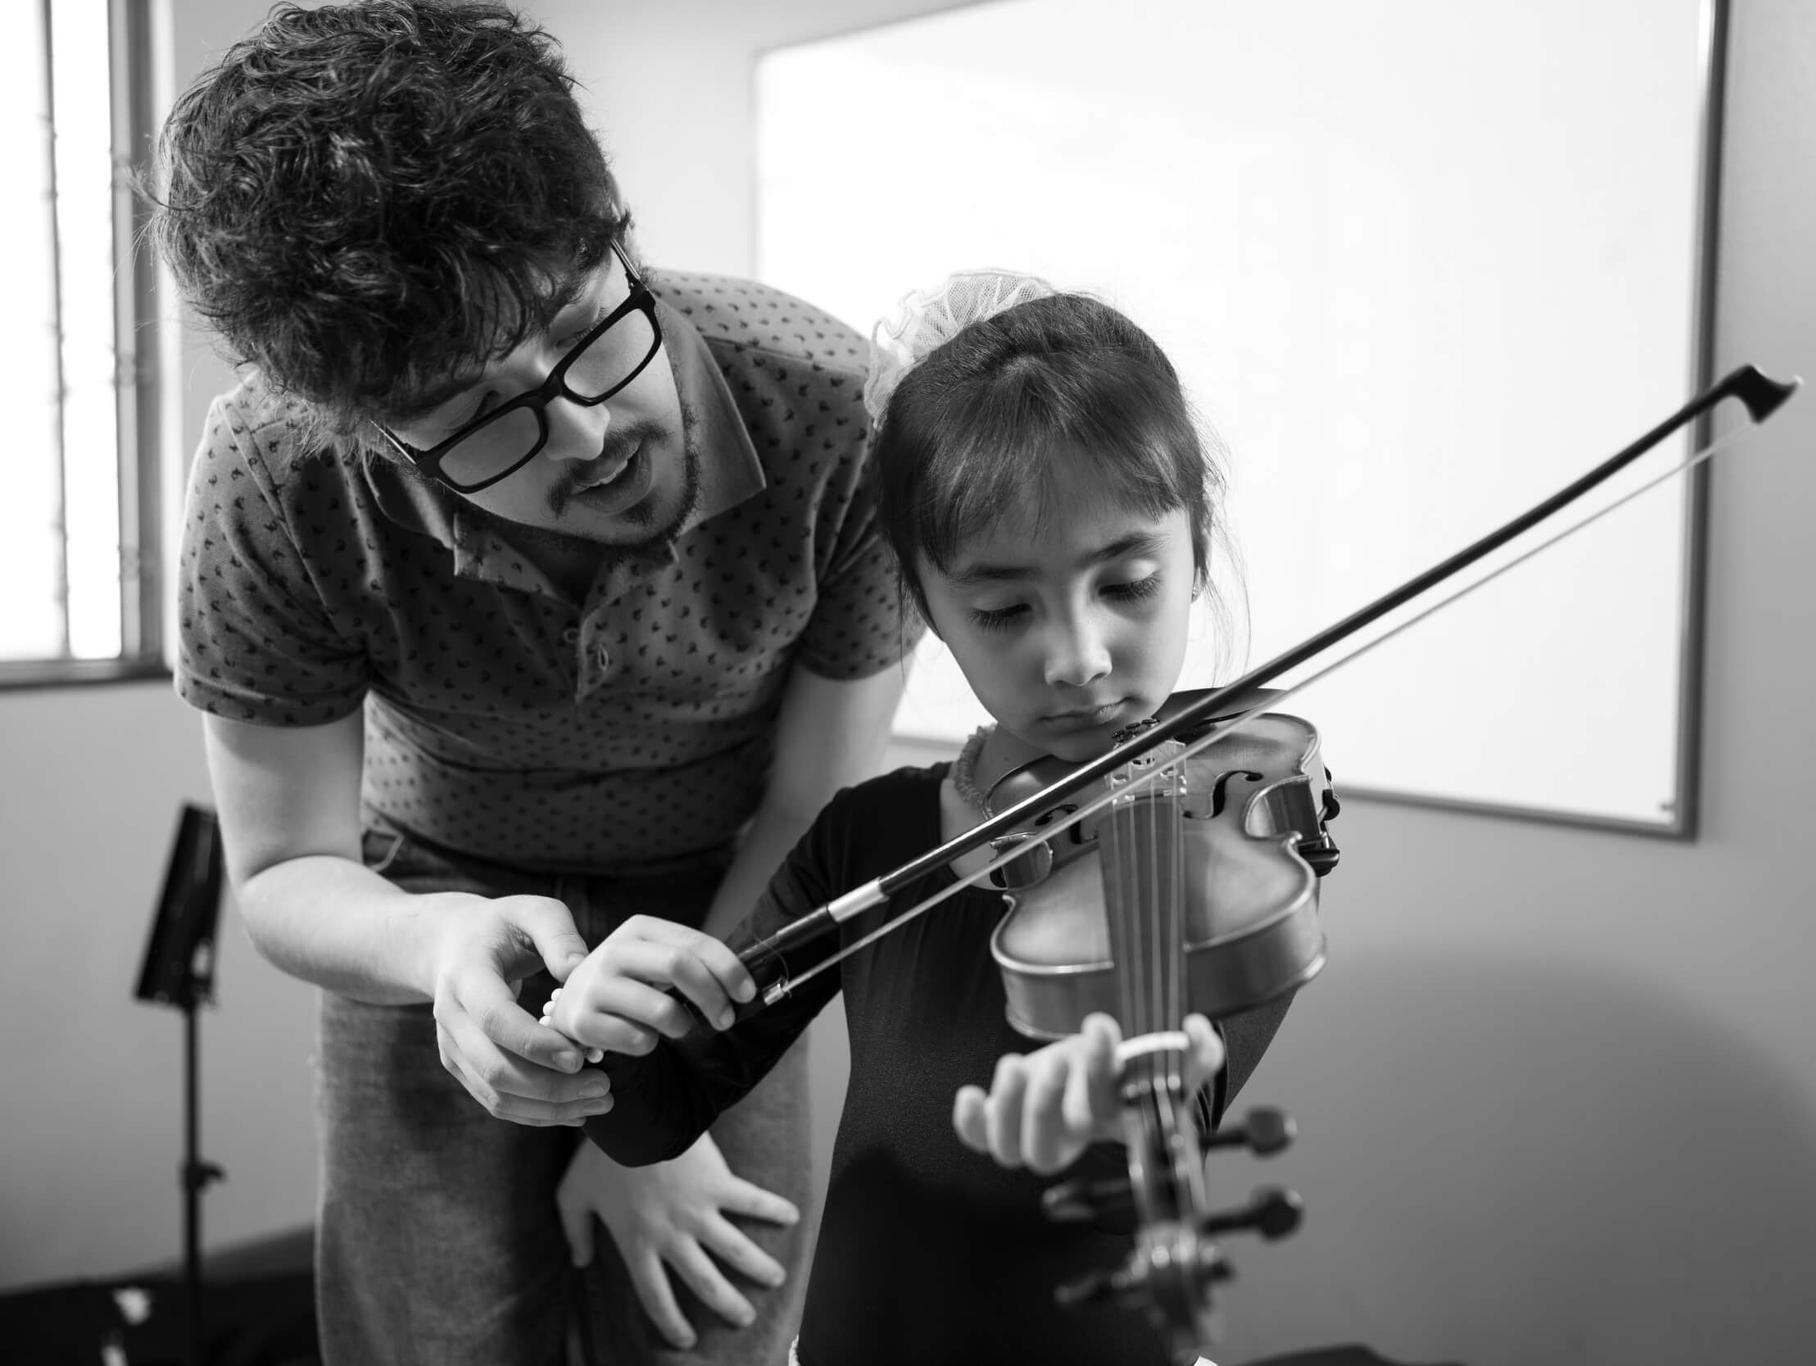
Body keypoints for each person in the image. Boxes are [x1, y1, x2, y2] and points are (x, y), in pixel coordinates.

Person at [151, 4, 915, 1363]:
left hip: (743, 911)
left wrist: (654, 1096)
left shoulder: (840, 412)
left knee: (715, 1330)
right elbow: (284, 872)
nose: (587, 432)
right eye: (476, 411)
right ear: (376, 432)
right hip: (425, 906)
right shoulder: (276, 475)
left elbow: (817, 802)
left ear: (617, 232)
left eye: (583, 325)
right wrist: (446, 948)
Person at [544, 273, 1316, 1366]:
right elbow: (657, 1112)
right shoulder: (865, 839)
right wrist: (601, 1020)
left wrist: (1103, 1116)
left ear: (1196, 548)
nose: (1079, 658)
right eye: (1004, 608)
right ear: (925, 606)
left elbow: (1153, 1150)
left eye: (1127, 582)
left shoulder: (1223, 817)